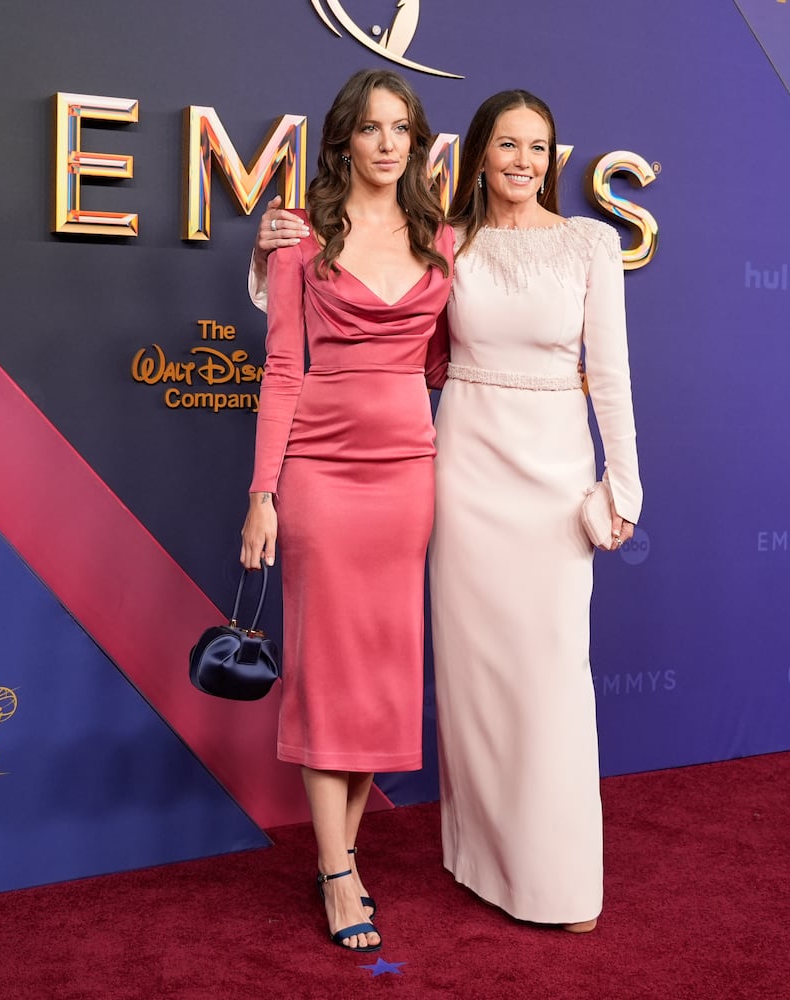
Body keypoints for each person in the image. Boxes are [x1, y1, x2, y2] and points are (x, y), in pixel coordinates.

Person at [251, 89, 641, 935]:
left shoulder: (514, 244)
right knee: (401, 675)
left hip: (482, 475)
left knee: (478, 678)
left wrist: (618, 480)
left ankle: (525, 870)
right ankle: (397, 867)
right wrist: (266, 489)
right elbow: (317, 355)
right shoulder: (385, 241)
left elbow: (568, 369)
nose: (523, 162)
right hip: (393, 471)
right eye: (506, 144)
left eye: (538, 147)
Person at [239, 67, 454, 954]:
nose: (386, 142)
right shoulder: (300, 238)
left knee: (379, 674)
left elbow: (445, 365)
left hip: (408, 474)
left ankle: (342, 853)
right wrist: (263, 494)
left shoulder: (444, 239)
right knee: (329, 672)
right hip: (320, 475)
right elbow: (282, 370)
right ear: (343, 140)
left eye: (400, 127)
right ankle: (336, 873)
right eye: (370, 128)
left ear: (416, 140)